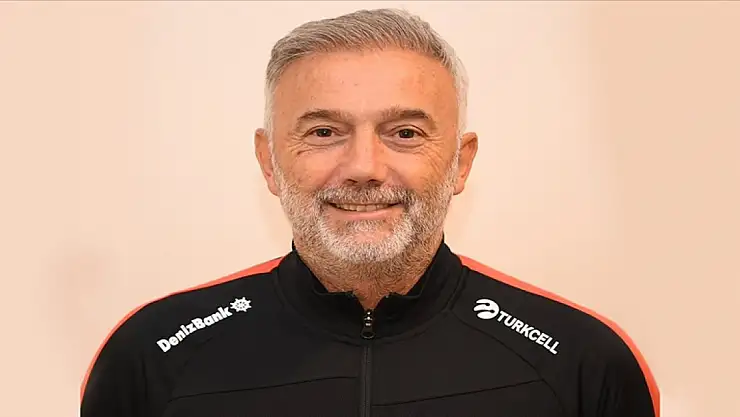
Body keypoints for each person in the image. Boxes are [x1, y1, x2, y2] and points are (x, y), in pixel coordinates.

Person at [80, 8, 660, 417]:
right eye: (324, 132)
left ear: (460, 164)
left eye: (404, 133)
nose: (364, 167)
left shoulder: (583, 363)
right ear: (269, 162)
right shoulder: (151, 358)